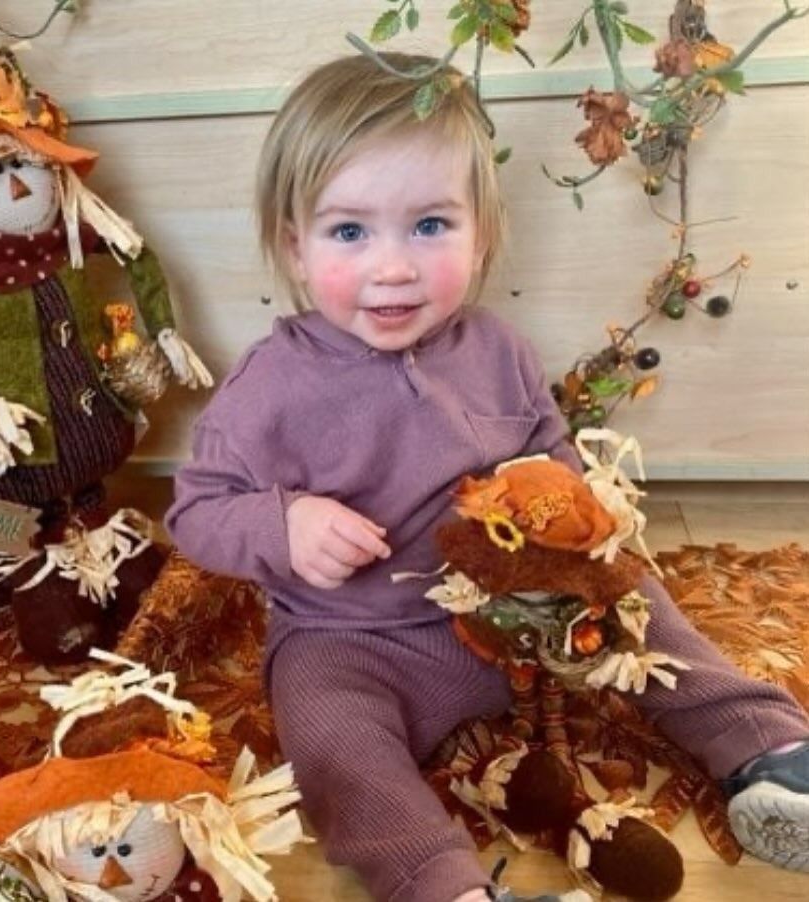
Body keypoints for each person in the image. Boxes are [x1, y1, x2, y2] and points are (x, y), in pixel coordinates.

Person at [167, 52, 809, 902]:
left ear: (481, 232)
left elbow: (549, 452)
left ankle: (762, 744)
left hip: (521, 614)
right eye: (349, 232)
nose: (391, 267)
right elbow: (197, 510)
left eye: (429, 226)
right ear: (294, 246)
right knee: (328, 736)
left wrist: (578, 524)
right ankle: (443, 883)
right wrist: (280, 524)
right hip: (358, 638)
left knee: (639, 605)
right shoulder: (271, 386)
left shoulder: (497, 349)